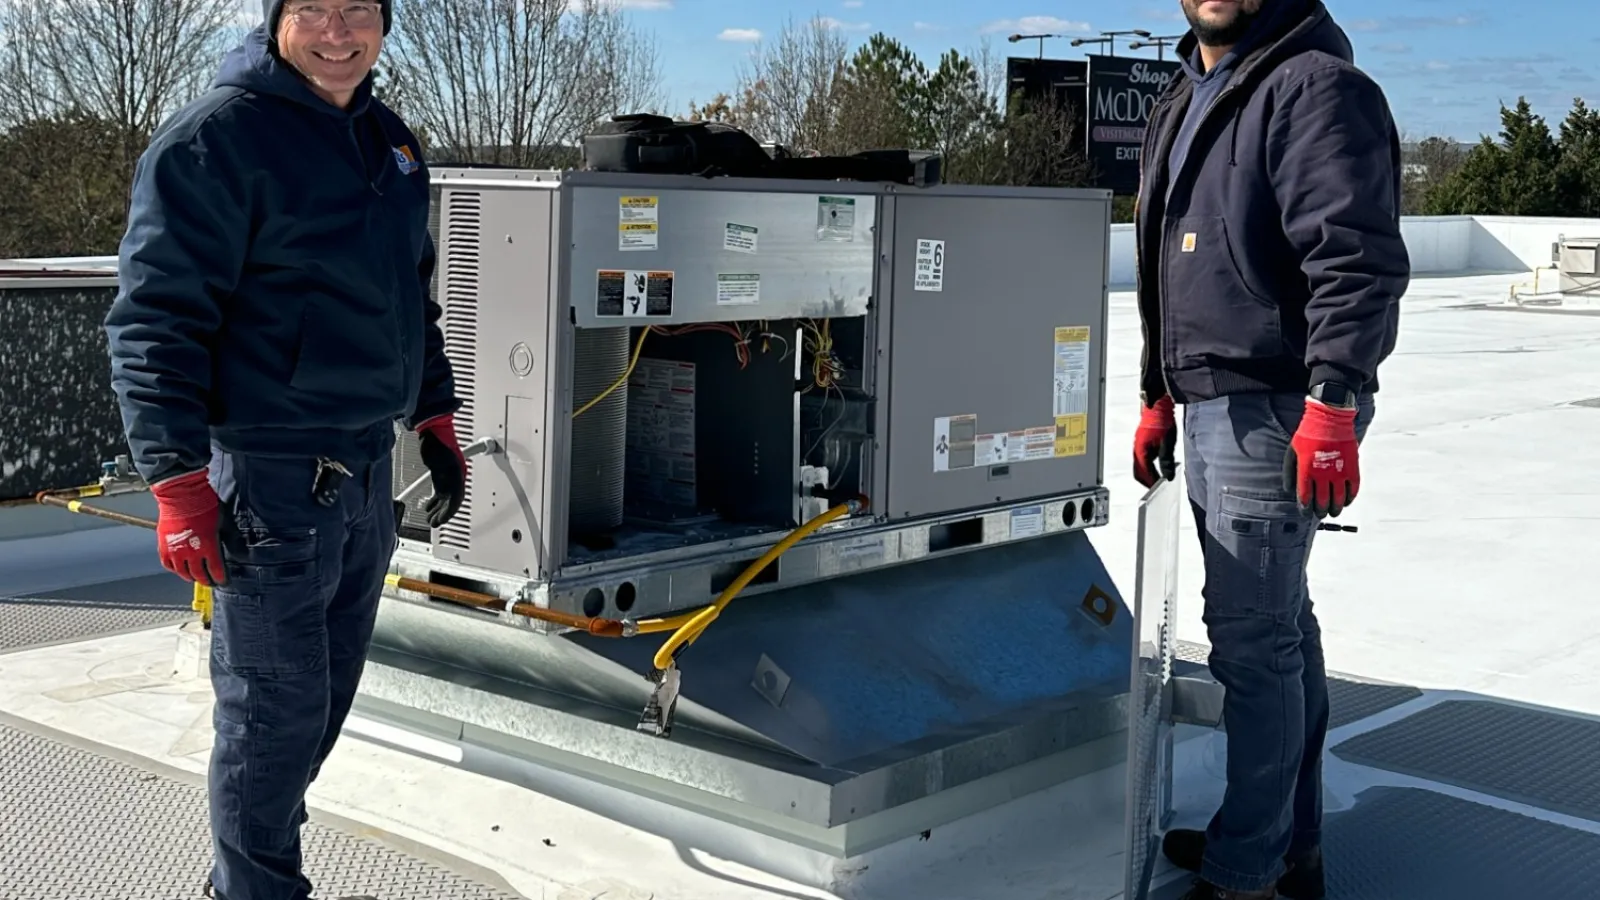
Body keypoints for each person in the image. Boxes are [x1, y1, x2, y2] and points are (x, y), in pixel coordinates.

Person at [103, 2, 467, 898]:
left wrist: (435, 415)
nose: (338, 33)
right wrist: (178, 483)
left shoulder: (390, 143)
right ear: (277, 21)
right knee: (271, 717)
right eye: (314, 10)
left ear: (384, 23)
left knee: (321, 704)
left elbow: (409, 297)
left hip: (364, 475)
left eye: (359, 11)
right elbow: (154, 324)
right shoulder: (214, 142)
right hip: (268, 483)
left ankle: (247, 880)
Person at [1129, 0, 1409, 897]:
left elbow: (1355, 258)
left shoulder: (1315, 87)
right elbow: (1165, 265)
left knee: (1253, 649)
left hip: (1277, 405)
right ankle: (1289, 845)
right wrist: (1158, 392)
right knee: (1280, 631)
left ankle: (1248, 869)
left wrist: (1334, 398)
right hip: (1216, 400)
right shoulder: (1187, 96)